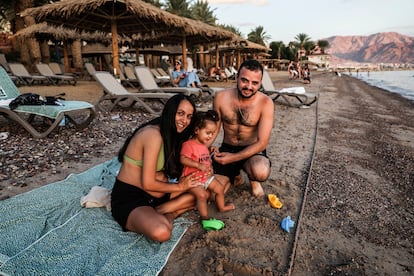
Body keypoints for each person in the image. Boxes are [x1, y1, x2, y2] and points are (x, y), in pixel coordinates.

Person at [111, 94, 203, 242]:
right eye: (180, 114)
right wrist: (180, 187)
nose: (184, 121)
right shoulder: (153, 135)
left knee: (202, 194)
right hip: (132, 197)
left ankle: (163, 211)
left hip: (158, 195)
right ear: (170, 111)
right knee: (162, 232)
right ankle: (169, 214)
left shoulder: (171, 133)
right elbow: (147, 183)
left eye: (189, 116)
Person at [211, 59, 274, 197]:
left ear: (260, 82)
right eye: (244, 80)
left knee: (261, 172)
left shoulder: (265, 103)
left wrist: (232, 158)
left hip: (252, 150)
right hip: (228, 147)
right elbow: (214, 127)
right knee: (213, 194)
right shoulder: (221, 97)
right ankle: (236, 174)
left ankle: (253, 179)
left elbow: (262, 142)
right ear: (236, 77)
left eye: (255, 83)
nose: (249, 86)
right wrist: (206, 146)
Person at [180, 110, 235, 222]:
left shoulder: (203, 144)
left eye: (212, 133)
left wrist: (210, 149)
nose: (210, 136)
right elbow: (183, 159)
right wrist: (198, 165)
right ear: (196, 130)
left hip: (206, 177)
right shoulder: (188, 145)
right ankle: (204, 217)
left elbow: (201, 154)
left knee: (219, 188)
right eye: (208, 133)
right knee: (201, 196)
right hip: (193, 179)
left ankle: (222, 207)